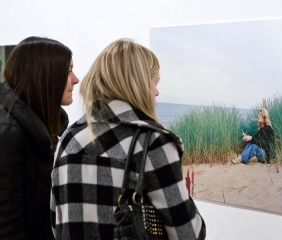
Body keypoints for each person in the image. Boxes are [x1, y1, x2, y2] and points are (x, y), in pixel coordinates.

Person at [51, 38, 206, 240]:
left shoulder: (68, 139)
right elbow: (188, 234)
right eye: (154, 82)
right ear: (137, 85)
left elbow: (56, 225)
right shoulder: (152, 142)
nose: (157, 92)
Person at [0, 36, 79, 240]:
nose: (76, 79)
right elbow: (7, 225)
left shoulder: (41, 125)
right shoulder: (9, 132)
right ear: (45, 75)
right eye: (68, 71)